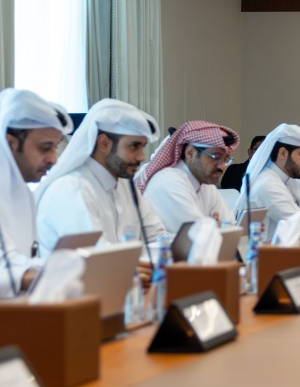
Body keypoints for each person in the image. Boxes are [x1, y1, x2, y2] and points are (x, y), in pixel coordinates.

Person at [35, 98, 167, 253]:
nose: (141, 157)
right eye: (133, 146)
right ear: (104, 143)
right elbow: (94, 256)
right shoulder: (72, 188)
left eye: (142, 147)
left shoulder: (127, 187)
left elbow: (157, 237)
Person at [0, 89, 73, 298]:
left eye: (55, 148)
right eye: (45, 148)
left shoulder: (23, 191)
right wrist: (29, 276)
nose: (53, 159)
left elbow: (19, 259)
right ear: (10, 143)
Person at [138, 120, 240, 234]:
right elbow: (198, 236)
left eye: (225, 159)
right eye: (215, 157)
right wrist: (214, 228)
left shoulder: (205, 184)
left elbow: (230, 227)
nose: (221, 166)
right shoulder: (169, 182)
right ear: (190, 153)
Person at [235, 124, 300, 239]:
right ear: (283, 153)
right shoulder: (267, 184)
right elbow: (299, 224)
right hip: (264, 255)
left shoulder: (288, 179)